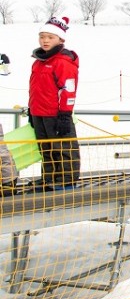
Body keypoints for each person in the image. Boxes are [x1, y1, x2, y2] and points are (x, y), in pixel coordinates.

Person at [30, 15, 80, 190]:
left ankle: (67, 179)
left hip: (56, 114)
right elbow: (36, 88)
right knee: (46, 149)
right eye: (42, 36)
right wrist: (32, 110)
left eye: (50, 37)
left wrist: (65, 114)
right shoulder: (39, 62)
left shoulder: (62, 62)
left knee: (63, 147)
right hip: (39, 112)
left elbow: (68, 89)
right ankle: (49, 178)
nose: (45, 40)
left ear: (60, 39)